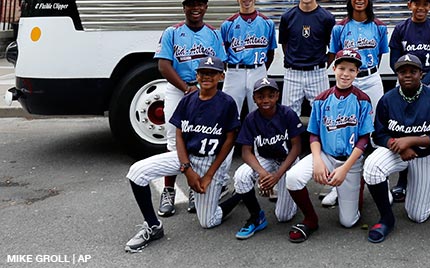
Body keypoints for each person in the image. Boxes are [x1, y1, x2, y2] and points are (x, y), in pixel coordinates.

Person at [124, 57, 239, 253]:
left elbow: (230, 139)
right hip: (186, 157)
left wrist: (209, 175)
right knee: (136, 172)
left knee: (208, 222)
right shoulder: (188, 99)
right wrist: (187, 169)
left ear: (221, 76)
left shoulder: (227, 102)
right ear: (196, 75)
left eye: (212, 73)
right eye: (203, 72)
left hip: (210, 160)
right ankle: (153, 227)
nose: (206, 76)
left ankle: (239, 195)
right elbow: (179, 132)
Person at [283, 49, 374, 242]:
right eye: (341, 68)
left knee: (348, 222)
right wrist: (317, 160)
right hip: (325, 154)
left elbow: (364, 139)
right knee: (292, 177)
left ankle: (357, 186)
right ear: (334, 69)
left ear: (357, 72)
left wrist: (344, 169)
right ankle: (310, 218)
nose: (345, 74)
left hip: (351, 161)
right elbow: (314, 133)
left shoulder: (362, 99)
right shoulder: (322, 99)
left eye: (351, 69)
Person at [363, 54, 430, 243]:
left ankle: (422, 188)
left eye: (413, 71)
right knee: (372, 168)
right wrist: (399, 147)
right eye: (403, 71)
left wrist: (410, 141)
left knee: (418, 215)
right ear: (397, 74)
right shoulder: (388, 99)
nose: (408, 75)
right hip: (396, 151)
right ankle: (386, 218)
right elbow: (378, 134)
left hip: (425, 154)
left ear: (421, 73)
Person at [154, 0, 225, 218]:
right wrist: (186, 89)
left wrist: (207, 90)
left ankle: (194, 190)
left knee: (199, 139)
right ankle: (168, 191)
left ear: (205, 6)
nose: (195, 7)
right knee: (174, 142)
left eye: (200, 3)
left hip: (204, 90)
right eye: (191, 3)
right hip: (179, 89)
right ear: (184, 7)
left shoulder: (213, 34)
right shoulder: (172, 32)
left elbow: (219, 65)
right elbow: (164, 65)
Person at [220, 77, 304, 240]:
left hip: (287, 161)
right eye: (261, 96)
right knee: (241, 176)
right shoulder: (251, 118)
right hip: (266, 159)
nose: (266, 100)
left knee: (284, 216)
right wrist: (263, 174)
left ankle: (294, 192)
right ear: (254, 99)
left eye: (270, 95)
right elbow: (246, 151)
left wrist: (277, 176)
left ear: (277, 96)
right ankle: (256, 216)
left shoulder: (287, 113)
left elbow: (296, 147)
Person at [388, 0, 430, 202]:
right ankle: (402, 181)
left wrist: (423, 79)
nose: (420, 7)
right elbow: (393, 59)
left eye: (425, 3)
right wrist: (409, 79)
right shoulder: (401, 28)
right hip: (405, 82)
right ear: (409, 5)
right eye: (417, 3)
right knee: (405, 126)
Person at [279, 0, 335, 118]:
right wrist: (295, 60)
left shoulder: (327, 18)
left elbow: (333, 48)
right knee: (289, 116)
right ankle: (291, 142)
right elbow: (285, 44)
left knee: (323, 114)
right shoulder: (287, 17)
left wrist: (322, 64)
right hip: (293, 73)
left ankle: (321, 142)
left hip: (317, 73)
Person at [221, 0, 277, 115]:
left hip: (258, 69)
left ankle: (258, 136)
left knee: (260, 111)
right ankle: (230, 137)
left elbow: (271, 53)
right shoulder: (228, 24)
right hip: (235, 71)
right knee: (229, 111)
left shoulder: (267, 23)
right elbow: (223, 53)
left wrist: (261, 69)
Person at [330, 0, 388, 111]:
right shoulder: (339, 28)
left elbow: (380, 54)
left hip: (371, 78)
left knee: (374, 117)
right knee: (347, 117)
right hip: (348, 78)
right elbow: (336, 54)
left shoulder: (380, 27)